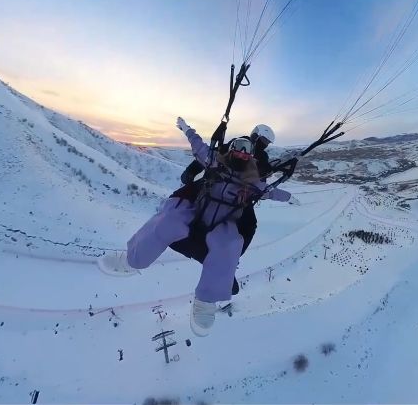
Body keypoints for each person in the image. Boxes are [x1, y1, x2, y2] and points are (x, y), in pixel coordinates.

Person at [99, 118, 291, 336]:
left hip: (229, 212)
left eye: (260, 145)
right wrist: (187, 131)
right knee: (170, 219)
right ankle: (132, 260)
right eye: (242, 147)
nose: (244, 152)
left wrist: (286, 195)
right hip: (203, 201)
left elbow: (267, 191)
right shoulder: (219, 159)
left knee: (230, 244)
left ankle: (207, 300)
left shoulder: (256, 172)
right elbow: (201, 150)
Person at [170, 124, 276, 294]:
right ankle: (169, 231)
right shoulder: (240, 144)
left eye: (266, 143)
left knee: (249, 224)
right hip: (218, 183)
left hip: (236, 192)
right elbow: (213, 155)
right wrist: (192, 170)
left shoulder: (259, 155)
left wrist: (267, 172)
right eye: (263, 141)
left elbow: (261, 172)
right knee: (187, 199)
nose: (263, 145)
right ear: (255, 136)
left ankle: (229, 261)